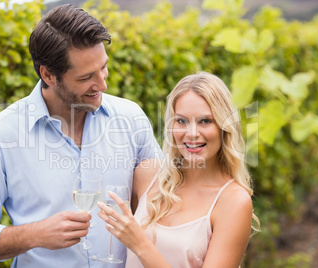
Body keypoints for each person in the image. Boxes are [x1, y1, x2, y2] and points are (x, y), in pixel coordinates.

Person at [0, 4, 162, 267]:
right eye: (87, 77)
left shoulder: (131, 119)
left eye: (104, 68)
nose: (103, 84)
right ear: (48, 75)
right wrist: (34, 234)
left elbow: (165, 203)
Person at [97, 71, 260, 268]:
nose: (191, 133)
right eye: (181, 121)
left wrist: (140, 244)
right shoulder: (147, 175)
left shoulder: (233, 201)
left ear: (224, 127)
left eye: (205, 121)